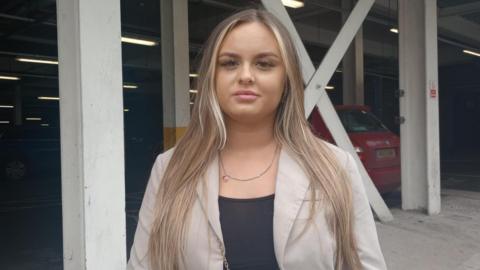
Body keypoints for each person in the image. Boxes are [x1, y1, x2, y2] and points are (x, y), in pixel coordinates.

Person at [127, 9, 386, 270]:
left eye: (264, 64)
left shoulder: (335, 167)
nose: (246, 76)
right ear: (211, 77)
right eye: (229, 63)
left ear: (286, 79)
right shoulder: (170, 169)